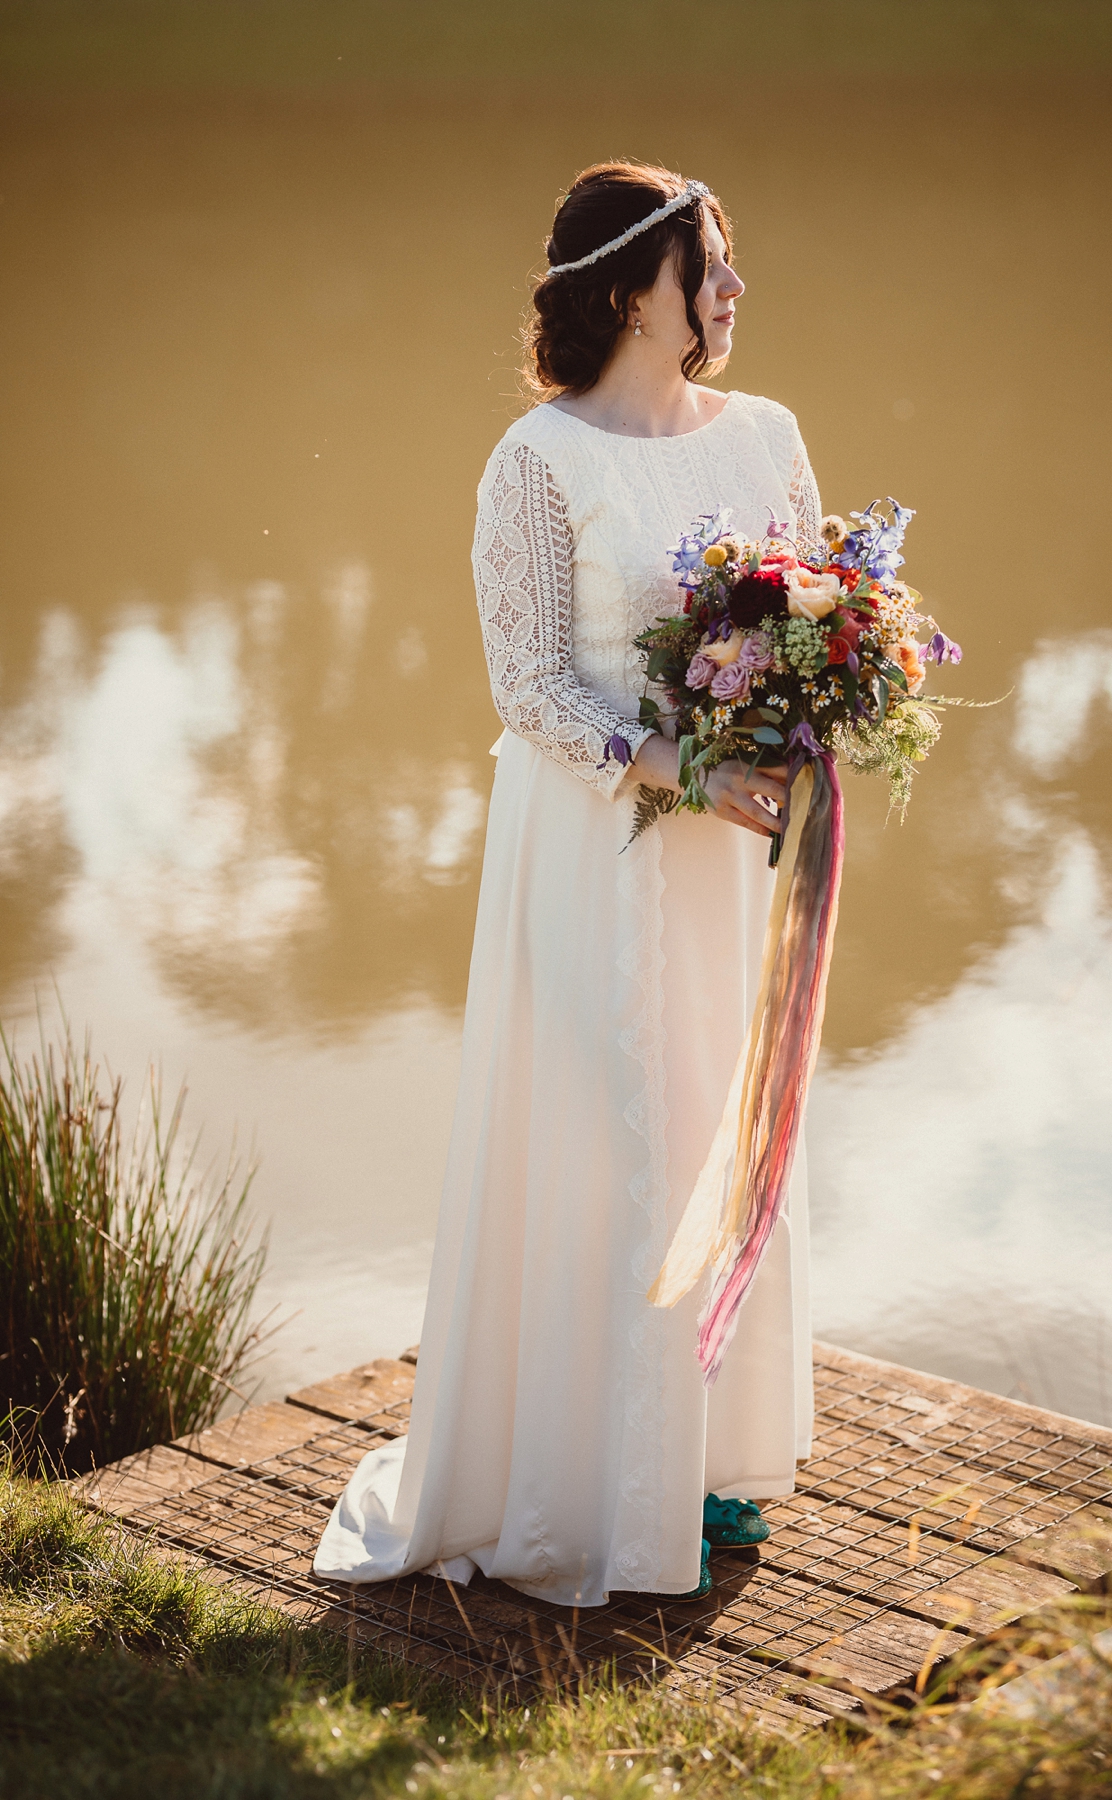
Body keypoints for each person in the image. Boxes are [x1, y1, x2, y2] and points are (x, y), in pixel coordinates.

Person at [314, 161, 819, 1606]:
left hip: (729, 859)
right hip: (594, 847)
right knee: (610, 1137)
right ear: (626, 294)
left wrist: (815, 723)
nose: (730, 289)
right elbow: (529, 687)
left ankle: (712, 1464)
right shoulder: (536, 463)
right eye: (706, 266)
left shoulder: (770, 433)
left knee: (721, 1119)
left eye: (729, 262)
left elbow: (814, 607)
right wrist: (679, 766)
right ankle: (595, 1479)